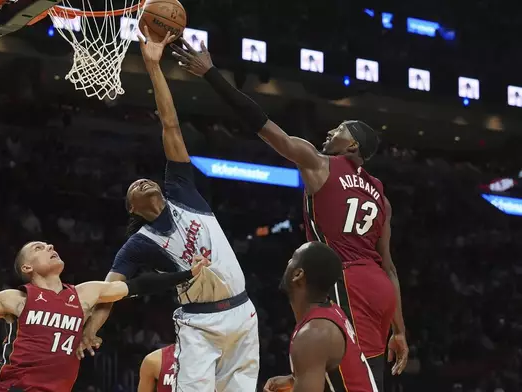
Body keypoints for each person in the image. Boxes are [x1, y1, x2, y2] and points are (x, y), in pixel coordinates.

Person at [171, 40, 408, 390]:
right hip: (381, 288)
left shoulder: (320, 163)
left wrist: (210, 74)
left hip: (347, 280)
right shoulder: (381, 195)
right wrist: (400, 329)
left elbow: (264, 126)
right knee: (354, 372)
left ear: (353, 146)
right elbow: (389, 265)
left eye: (340, 129)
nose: (331, 132)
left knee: (360, 381)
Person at [79, 29, 259, 392]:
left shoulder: (181, 189)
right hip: (200, 324)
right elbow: (109, 292)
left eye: (145, 179)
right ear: (133, 208)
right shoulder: (140, 244)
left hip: (244, 313)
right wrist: (90, 329)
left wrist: (153, 67)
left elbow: (170, 123)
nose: (142, 181)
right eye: (134, 188)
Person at [0, 219, 208, 392]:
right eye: (39, 248)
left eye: (49, 245)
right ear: (28, 267)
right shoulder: (16, 299)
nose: (49, 246)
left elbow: (139, 285)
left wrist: (186, 274)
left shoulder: (85, 294)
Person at [264, 242, 378, 392]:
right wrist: (295, 379)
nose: (288, 262)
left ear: (298, 275)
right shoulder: (331, 310)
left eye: (293, 259)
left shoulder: (314, 333)